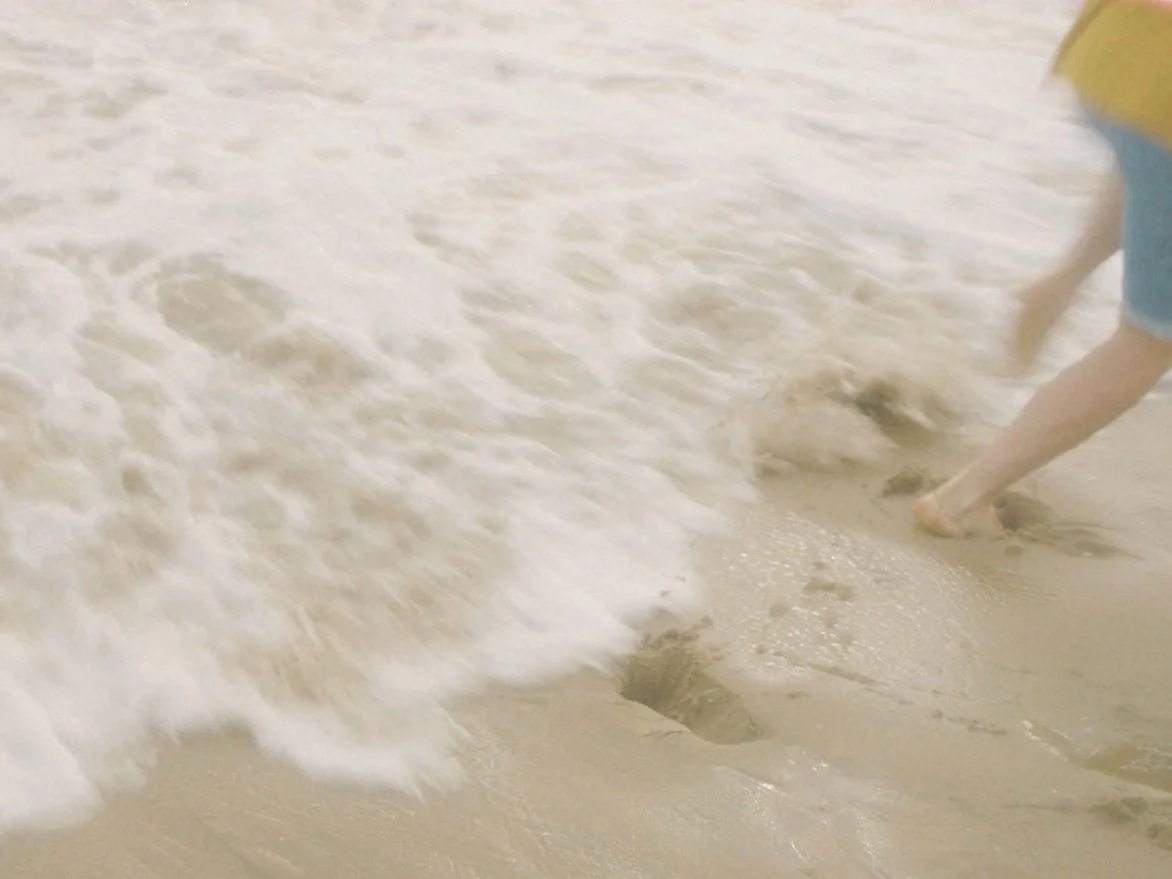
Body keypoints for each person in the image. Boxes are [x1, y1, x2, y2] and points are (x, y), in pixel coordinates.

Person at [915, 0, 1172, 537]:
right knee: (1150, 343)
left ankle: (1061, 282)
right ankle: (960, 500)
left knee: (1144, 171)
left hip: (1116, 53)